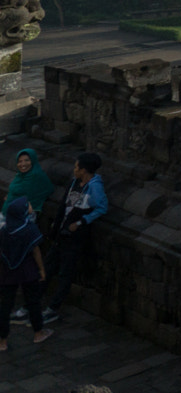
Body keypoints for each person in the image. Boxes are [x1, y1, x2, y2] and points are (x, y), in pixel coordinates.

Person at [43, 152, 108, 319]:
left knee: (66, 272)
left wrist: (81, 222)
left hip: (75, 237)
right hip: (61, 233)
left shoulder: (95, 187)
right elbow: (64, 206)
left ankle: (53, 308)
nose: (74, 170)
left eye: (77, 167)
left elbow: (102, 208)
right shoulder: (74, 183)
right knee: (48, 266)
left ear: (84, 170)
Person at [0, 197, 51, 348]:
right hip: (27, 270)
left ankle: (2, 341)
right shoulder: (29, 229)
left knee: (5, 306)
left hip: (8, 271)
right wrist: (41, 269)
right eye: (27, 205)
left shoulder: (5, 230)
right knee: (33, 302)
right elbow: (36, 252)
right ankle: (38, 333)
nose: (29, 206)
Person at [5, 148, 54, 215]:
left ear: (33, 160)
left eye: (27, 160)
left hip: (22, 217)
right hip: (8, 212)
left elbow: (48, 189)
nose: (23, 164)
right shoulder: (20, 175)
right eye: (20, 161)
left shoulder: (36, 175)